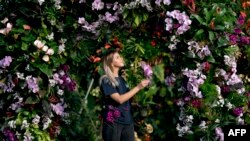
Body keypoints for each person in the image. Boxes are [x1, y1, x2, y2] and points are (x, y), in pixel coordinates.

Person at [99, 50, 150, 141]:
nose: (121, 58)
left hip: (127, 121)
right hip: (113, 122)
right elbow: (119, 99)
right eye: (118, 57)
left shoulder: (122, 80)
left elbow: (125, 100)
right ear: (111, 63)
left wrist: (137, 105)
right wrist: (138, 87)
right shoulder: (106, 80)